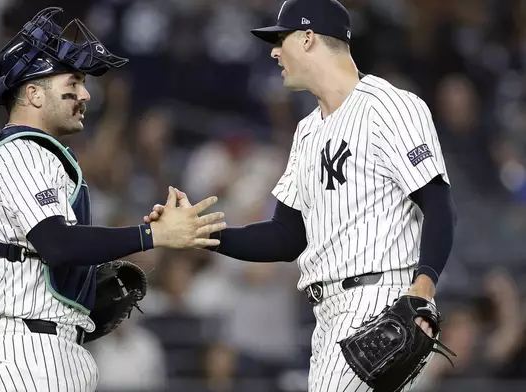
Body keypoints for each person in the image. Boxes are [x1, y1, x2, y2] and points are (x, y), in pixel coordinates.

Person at [144, 0, 457, 391]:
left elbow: (439, 205)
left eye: (281, 39)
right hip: (326, 315)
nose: (274, 51)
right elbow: (286, 236)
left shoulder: (391, 106)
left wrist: (423, 287)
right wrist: (204, 234)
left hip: (382, 301)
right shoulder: (307, 132)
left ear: (308, 38)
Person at [0, 7, 225, 392]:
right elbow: (58, 244)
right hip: (32, 358)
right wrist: (153, 235)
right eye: (73, 83)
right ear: (33, 93)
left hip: (32, 350)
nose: (85, 94)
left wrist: (22, 283)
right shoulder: (23, 152)